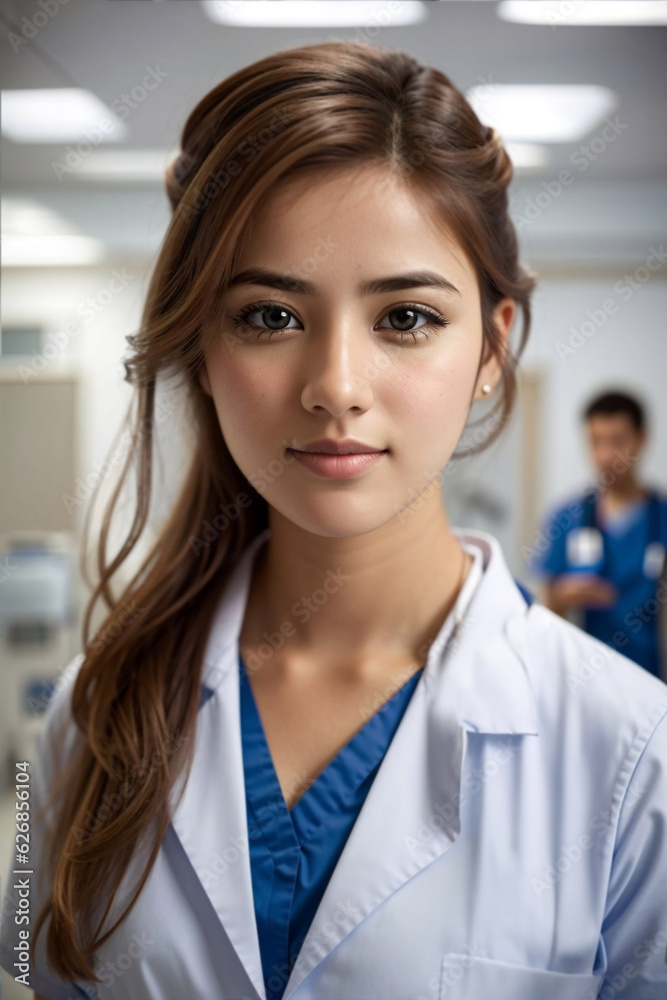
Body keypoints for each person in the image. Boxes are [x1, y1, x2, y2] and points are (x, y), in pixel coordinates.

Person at [1, 41, 666, 1000]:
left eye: (404, 318)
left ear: (493, 345)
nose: (335, 389)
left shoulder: (632, 755)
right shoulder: (87, 713)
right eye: (269, 316)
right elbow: (29, 972)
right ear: (199, 343)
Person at [532, 390, 667, 681]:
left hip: (652, 678)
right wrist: (562, 596)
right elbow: (547, 609)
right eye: (596, 441)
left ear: (641, 439)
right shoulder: (566, 517)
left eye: (617, 441)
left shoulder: (661, 517)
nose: (606, 455)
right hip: (586, 679)